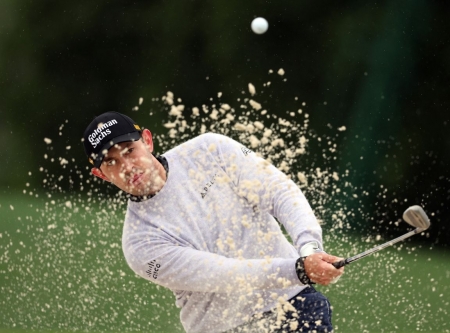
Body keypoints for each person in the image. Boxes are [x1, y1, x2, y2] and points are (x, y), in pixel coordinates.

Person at [83, 111, 345, 333]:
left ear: (148, 141)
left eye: (130, 151)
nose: (127, 166)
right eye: (111, 162)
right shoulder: (139, 243)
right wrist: (299, 269)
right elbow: (223, 274)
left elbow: (279, 192)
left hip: (295, 305)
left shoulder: (209, 149)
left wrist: (310, 249)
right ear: (101, 174)